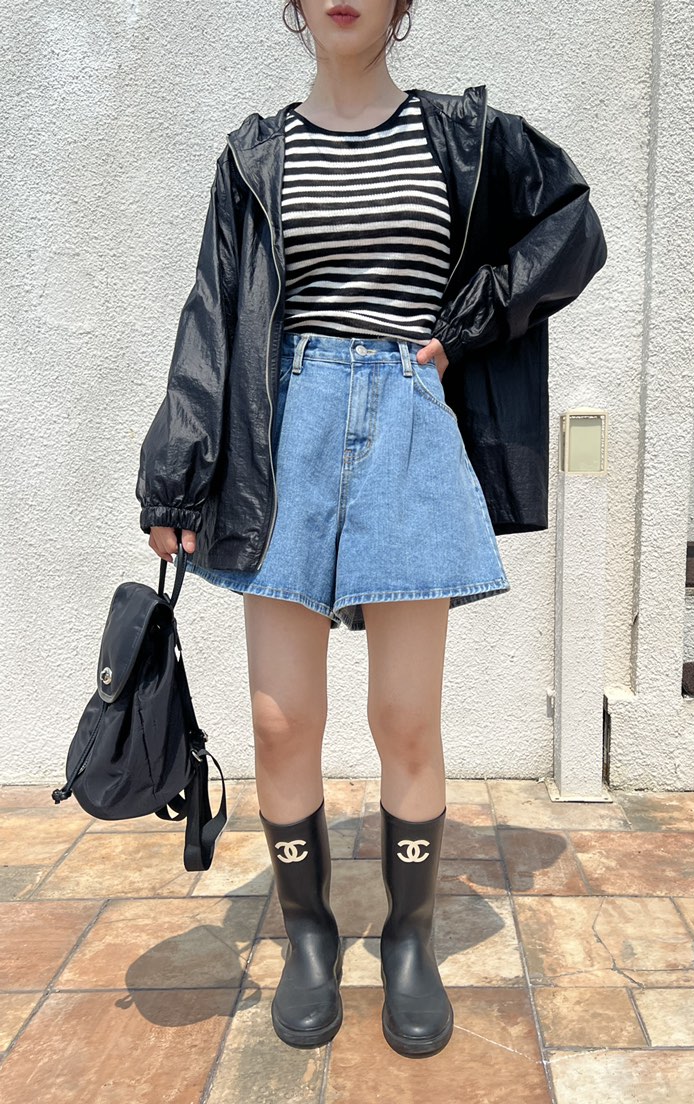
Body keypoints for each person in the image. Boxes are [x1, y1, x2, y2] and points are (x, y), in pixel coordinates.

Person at [135, 0, 607, 1060]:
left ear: (403, 5)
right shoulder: (256, 155)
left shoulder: (463, 138)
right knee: (279, 722)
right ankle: (309, 937)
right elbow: (212, 310)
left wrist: (467, 321)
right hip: (286, 434)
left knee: (404, 718)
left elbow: (572, 230)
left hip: (406, 422)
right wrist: (175, 478)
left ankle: (407, 937)